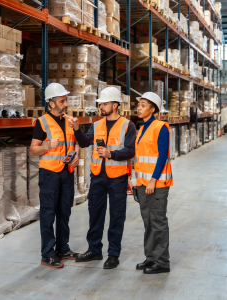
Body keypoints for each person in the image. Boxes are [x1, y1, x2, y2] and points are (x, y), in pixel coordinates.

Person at [67, 87, 136, 269]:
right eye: (101, 104)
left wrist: (110, 153)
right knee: (95, 214)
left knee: (116, 216)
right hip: (97, 176)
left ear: (115, 105)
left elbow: (130, 151)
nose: (101, 107)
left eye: (104, 103)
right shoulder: (96, 125)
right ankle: (94, 249)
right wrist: (76, 130)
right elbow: (84, 143)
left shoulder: (128, 125)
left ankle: (113, 254)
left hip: (117, 178)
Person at [30, 83, 79, 269]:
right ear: (51, 103)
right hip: (50, 174)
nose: (66, 104)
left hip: (67, 173)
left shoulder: (69, 121)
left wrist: (75, 159)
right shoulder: (42, 122)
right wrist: (47, 146)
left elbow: (74, 145)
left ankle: (63, 248)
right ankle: (47, 254)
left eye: (66, 100)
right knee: (48, 213)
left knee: (64, 212)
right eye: (62, 101)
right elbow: (33, 149)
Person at [134, 92, 173, 274]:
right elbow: (140, 159)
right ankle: (151, 258)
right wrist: (136, 181)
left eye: (143, 105)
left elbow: (162, 157)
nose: (139, 108)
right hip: (143, 184)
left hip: (156, 185)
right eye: (139, 105)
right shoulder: (142, 129)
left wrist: (153, 180)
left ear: (153, 109)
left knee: (157, 221)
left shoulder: (160, 127)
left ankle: (162, 262)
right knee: (148, 222)